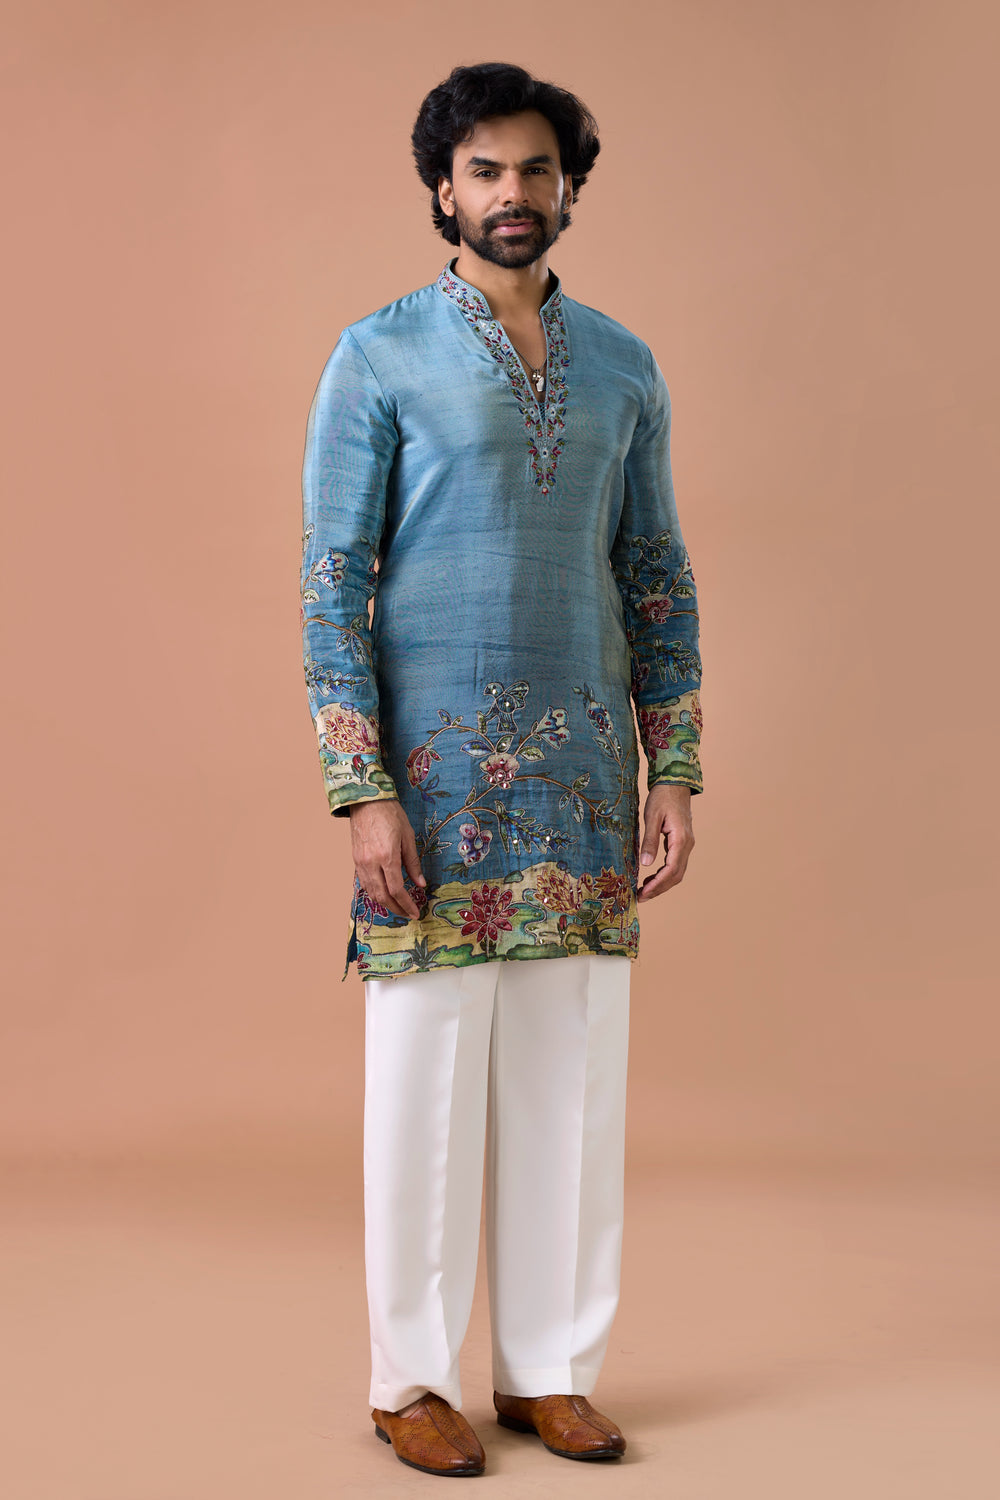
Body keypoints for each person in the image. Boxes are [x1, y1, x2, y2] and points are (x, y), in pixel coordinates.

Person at [299, 61, 704, 1478]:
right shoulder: (377, 355)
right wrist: (363, 790)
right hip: (434, 786)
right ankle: (410, 1380)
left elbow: (655, 572)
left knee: (570, 1087)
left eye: (536, 169)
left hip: (585, 784)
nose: (512, 193)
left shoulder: (627, 364)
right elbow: (331, 585)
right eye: (484, 171)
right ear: (442, 189)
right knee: (422, 1091)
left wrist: (673, 764)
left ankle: (549, 1372)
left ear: (568, 186)